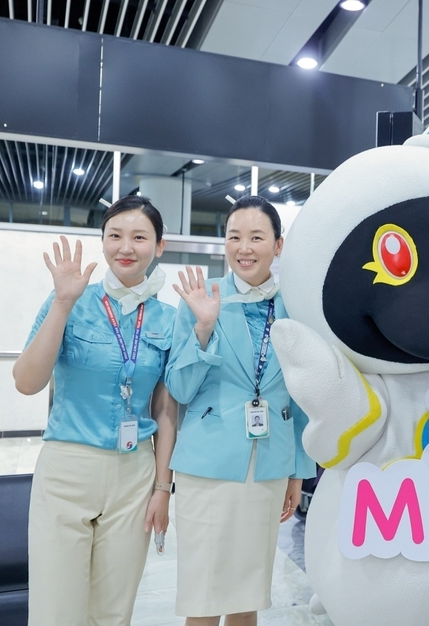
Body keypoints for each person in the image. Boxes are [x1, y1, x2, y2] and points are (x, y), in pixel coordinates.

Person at [14, 196, 177, 626]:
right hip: (68, 468)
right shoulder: (70, 300)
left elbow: (164, 410)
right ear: (103, 241)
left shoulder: (167, 318)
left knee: (113, 612)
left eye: (139, 237)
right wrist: (63, 303)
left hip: (135, 476)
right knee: (56, 611)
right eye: (115, 236)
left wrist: (163, 487)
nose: (126, 247)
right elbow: (27, 382)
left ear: (159, 246)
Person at [165, 195, 315, 626]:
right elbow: (179, 387)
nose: (244, 248)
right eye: (234, 237)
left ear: (279, 245)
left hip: (269, 465)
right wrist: (204, 330)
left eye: (256, 237)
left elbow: (303, 393)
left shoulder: (297, 305)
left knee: (247, 594)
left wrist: (297, 471)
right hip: (208, 465)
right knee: (204, 595)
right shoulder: (200, 299)